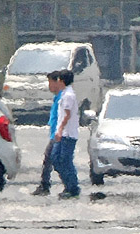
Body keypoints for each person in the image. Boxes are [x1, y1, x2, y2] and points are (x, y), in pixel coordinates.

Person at [31, 70, 62, 196]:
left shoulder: (63, 98)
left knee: (55, 161)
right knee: (51, 160)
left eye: (50, 82)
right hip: (55, 134)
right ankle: (45, 185)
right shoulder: (57, 97)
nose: (49, 86)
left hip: (59, 135)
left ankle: (47, 186)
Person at [51, 69, 81, 199]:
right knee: (56, 158)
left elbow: (67, 115)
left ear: (61, 81)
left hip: (68, 134)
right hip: (63, 133)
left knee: (65, 160)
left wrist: (59, 130)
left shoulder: (69, 95)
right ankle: (68, 185)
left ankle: (72, 187)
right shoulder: (65, 94)